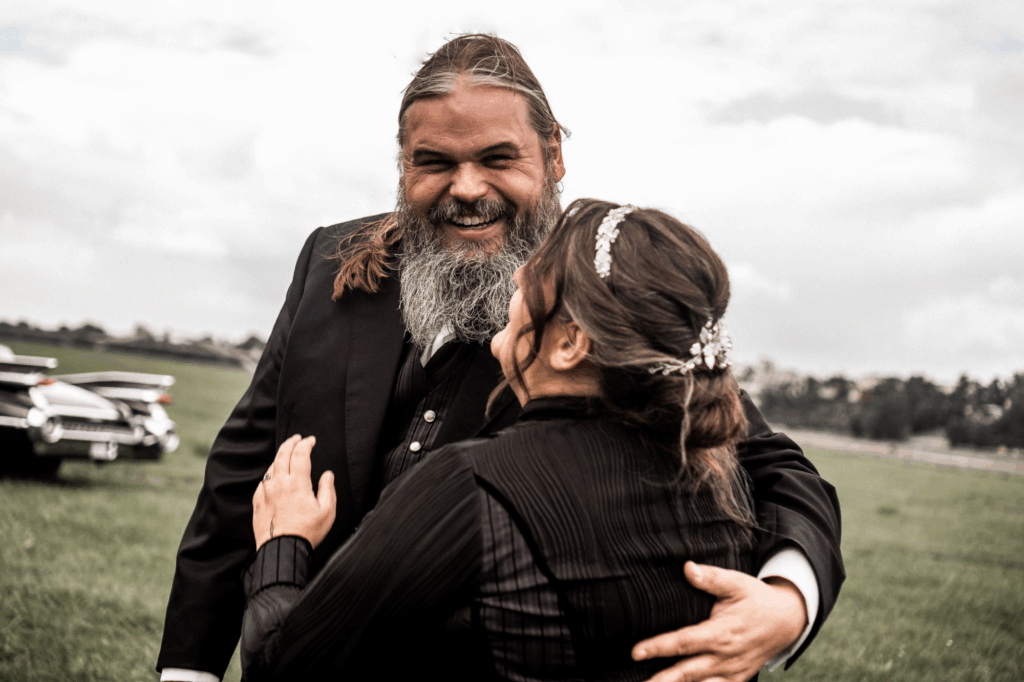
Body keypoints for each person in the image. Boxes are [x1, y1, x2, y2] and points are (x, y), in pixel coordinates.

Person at [158, 34, 843, 682]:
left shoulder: (589, 305)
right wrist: (186, 669)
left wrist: (787, 601)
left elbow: (767, 460)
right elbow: (238, 477)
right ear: (403, 164)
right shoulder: (326, 264)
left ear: (553, 158)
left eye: (496, 158)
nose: (466, 187)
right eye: (435, 162)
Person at [241, 199, 762, 681]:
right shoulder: (721, 488)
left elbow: (287, 666)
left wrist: (284, 544)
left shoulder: (472, 485)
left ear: (570, 343)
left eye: (536, 273)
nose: (517, 273)